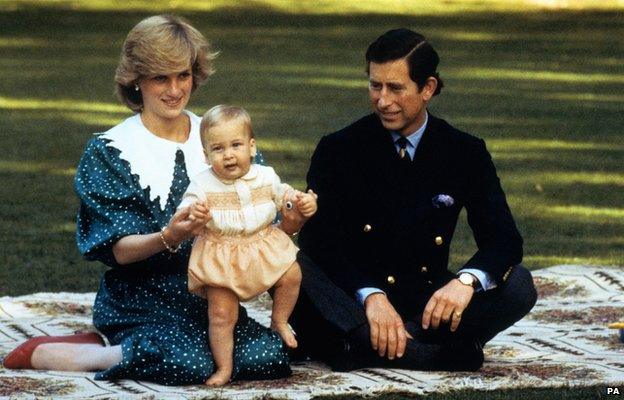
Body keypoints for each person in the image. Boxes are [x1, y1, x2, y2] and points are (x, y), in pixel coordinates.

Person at [2, 15, 300, 385]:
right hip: (139, 298)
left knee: (268, 356)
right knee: (187, 362)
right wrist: (170, 237)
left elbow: (263, 225)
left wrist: (292, 216)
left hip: (212, 296)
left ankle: (131, 349)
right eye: (161, 77)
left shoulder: (222, 138)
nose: (175, 89)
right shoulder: (111, 150)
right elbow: (118, 250)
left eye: (183, 75)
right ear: (136, 81)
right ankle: (90, 353)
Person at [291, 28, 538, 372]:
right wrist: (371, 296)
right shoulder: (339, 149)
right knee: (290, 265)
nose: (382, 100)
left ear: (428, 88)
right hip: (354, 302)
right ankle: (436, 354)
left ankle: (369, 348)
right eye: (375, 85)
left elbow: (504, 239)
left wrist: (465, 282)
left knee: (520, 284)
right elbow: (319, 243)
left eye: (395, 88)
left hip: (424, 303)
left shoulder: (464, 151)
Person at [179, 105, 317, 385]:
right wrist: (194, 212)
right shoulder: (202, 184)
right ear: (206, 156)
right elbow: (187, 205)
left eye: (236, 145)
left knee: (292, 274)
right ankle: (224, 367)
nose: (228, 154)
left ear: (251, 147)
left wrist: (302, 201)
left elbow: (285, 196)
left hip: (261, 245)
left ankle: (279, 320)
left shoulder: (265, 176)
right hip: (222, 254)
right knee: (221, 314)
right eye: (217, 149)